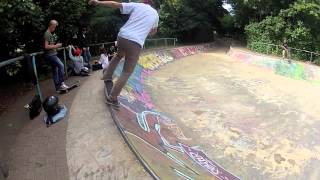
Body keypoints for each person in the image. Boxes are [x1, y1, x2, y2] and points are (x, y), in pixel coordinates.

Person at [89, 0, 159, 107]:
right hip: (135, 43)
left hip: (122, 36)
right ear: (152, 5)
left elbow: (115, 4)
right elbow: (154, 31)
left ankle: (107, 75)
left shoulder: (138, 5)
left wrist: (98, 2)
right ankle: (112, 98)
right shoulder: (155, 14)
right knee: (126, 72)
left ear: (144, 3)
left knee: (118, 55)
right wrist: (144, 31)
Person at [44, 20, 69, 91]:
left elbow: (51, 46)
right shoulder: (47, 34)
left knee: (55, 70)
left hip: (52, 54)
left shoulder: (49, 34)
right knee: (61, 65)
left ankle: (57, 88)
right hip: (51, 55)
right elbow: (46, 46)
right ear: (51, 25)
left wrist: (57, 46)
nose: (55, 28)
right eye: (54, 27)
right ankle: (62, 84)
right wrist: (56, 46)